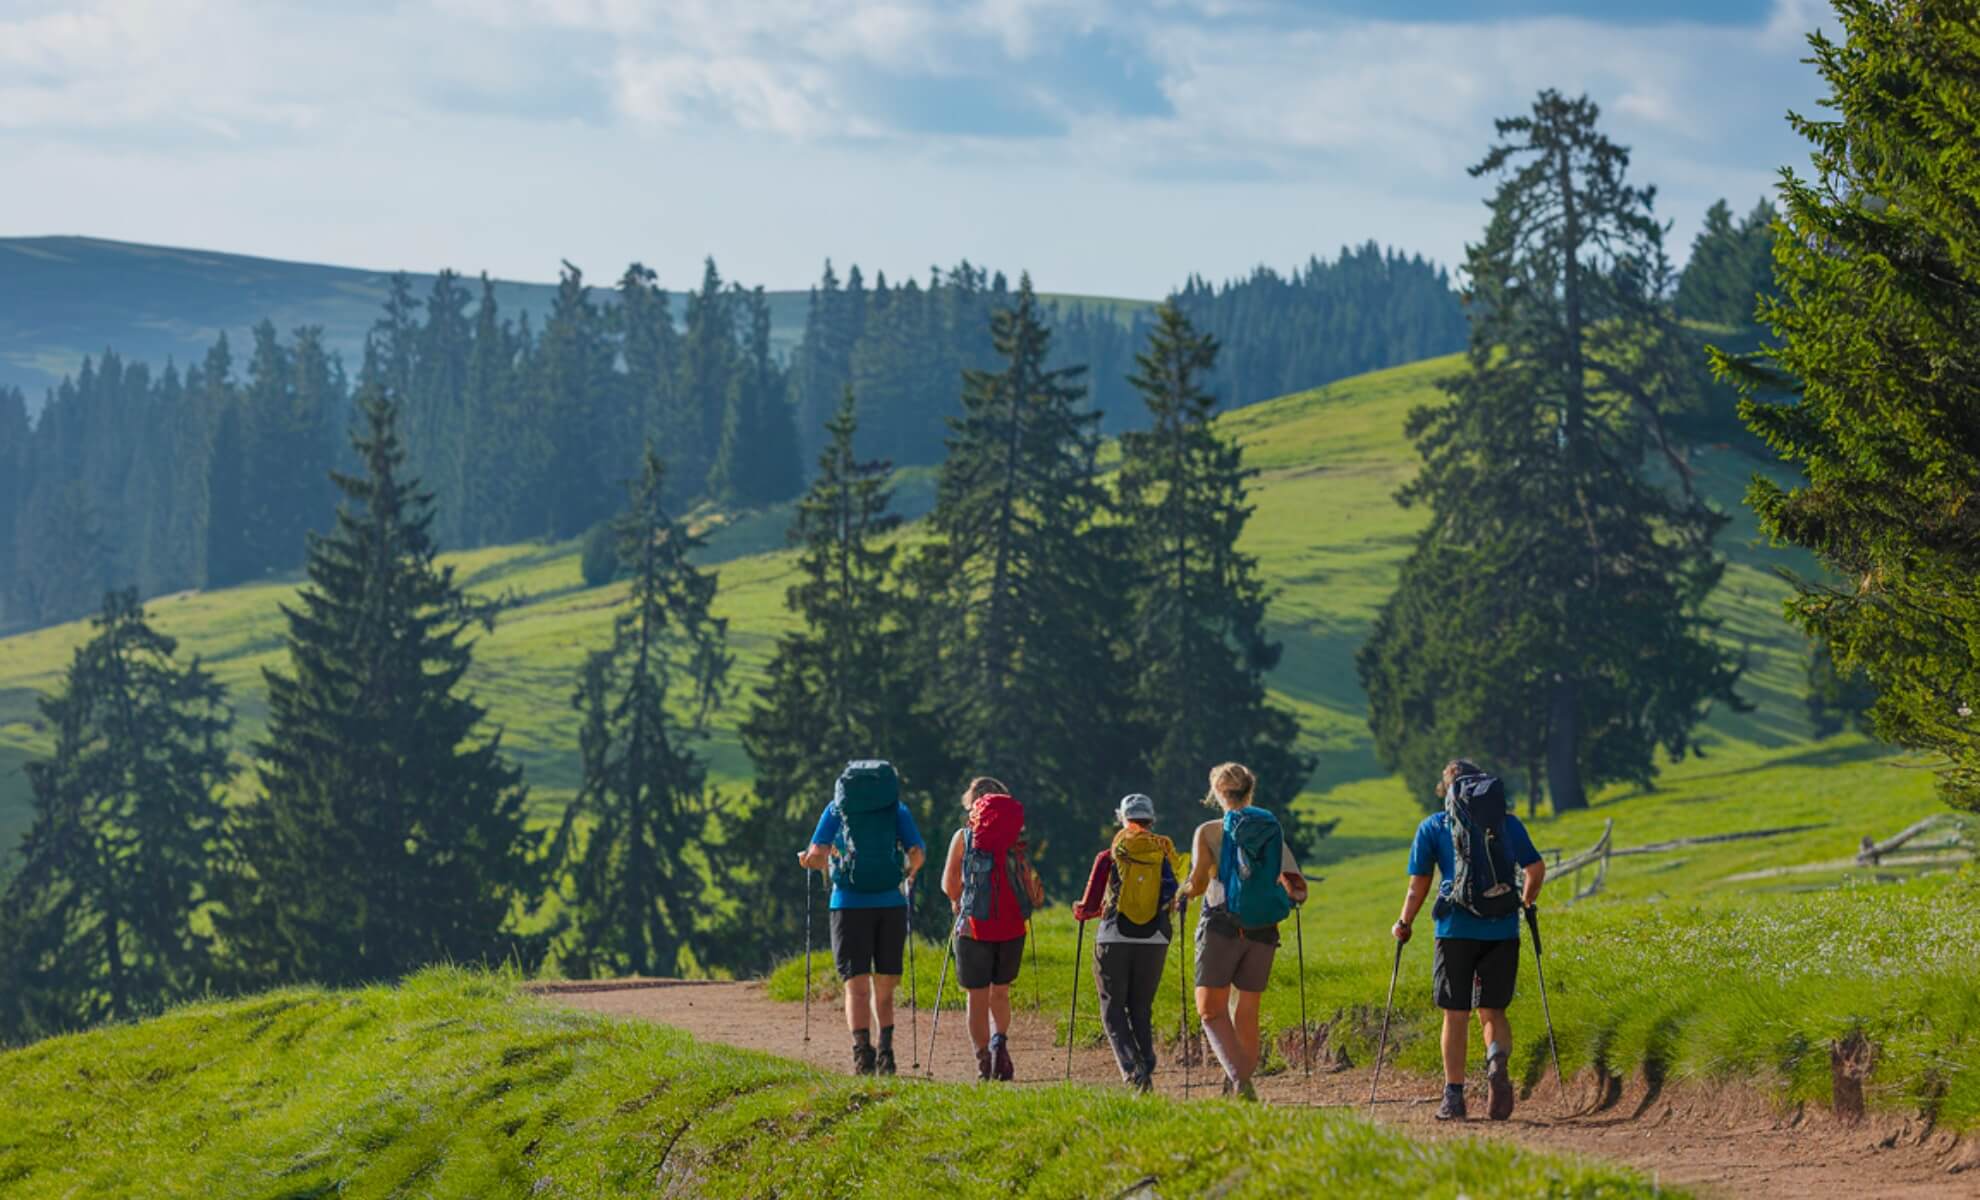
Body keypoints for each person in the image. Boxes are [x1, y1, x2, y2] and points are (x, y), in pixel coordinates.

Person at [1393, 758, 1547, 1121]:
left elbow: (1419, 885)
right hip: (1503, 928)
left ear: (1446, 789)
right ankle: (1495, 1058)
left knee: (1456, 1014)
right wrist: (1523, 902)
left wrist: (1404, 922)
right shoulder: (1507, 823)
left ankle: (1454, 1097)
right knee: (1493, 1010)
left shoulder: (1433, 826)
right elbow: (1535, 869)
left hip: (1454, 930)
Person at [1178, 762, 1308, 1101]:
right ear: (1250, 790)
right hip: (1264, 929)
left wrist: (1180, 893)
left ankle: (1241, 1082)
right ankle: (1239, 1084)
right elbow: (1297, 887)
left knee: (1210, 1011)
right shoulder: (1270, 827)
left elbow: (1199, 883)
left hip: (1222, 925)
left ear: (1217, 792)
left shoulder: (1208, 831)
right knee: (1247, 1010)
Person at [797, 759, 927, 1076]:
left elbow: (817, 855)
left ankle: (862, 1055)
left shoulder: (835, 809)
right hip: (890, 902)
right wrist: (907, 875)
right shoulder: (897, 810)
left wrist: (807, 862)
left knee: (856, 987)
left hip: (847, 904)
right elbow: (918, 853)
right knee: (885, 987)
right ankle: (886, 1052)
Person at [1071, 793, 1185, 1092]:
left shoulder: (1109, 856)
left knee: (1112, 1007)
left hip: (1114, 937)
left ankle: (1134, 1071)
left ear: (1122, 818)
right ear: (1152, 820)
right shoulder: (1165, 853)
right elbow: (1177, 894)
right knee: (1141, 1006)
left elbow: (1090, 904)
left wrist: (1081, 910)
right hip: (1156, 938)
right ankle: (1146, 1059)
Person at [940, 776, 1043, 1082]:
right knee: (1001, 993)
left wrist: (960, 902)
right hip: (1013, 926)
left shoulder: (964, 836)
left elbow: (949, 884)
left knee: (977, 997)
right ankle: (1001, 1044)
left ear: (973, 803)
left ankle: (984, 1059)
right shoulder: (1017, 837)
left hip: (973, 928)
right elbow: (1031, 885)